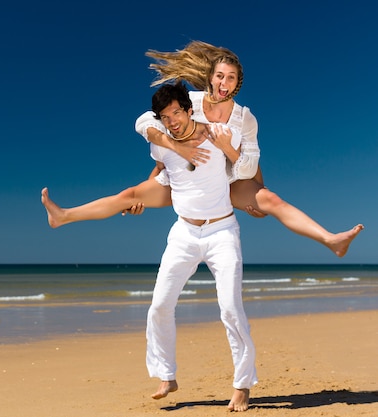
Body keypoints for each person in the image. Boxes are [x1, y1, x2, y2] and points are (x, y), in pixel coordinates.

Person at [41, 41, 363, 257]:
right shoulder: (189, 102)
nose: (224, 83)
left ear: (238, 84)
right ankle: (63, 216)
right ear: (210, 78)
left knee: (270, 199)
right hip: (183, 181)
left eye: (231, 78)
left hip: (229, 185)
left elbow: (249, 165)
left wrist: (236, 160)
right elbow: (146, 123)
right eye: (219, 76)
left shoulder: (245, 119)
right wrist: (164, 158)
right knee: (129, 196)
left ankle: (330, 240)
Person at [143, 82, 256, 411]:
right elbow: (159, 172)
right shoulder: (162, 145)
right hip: (183, 234)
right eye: (165, 117)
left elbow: (246, 162)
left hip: (222, 231)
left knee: (231, 310)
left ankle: (242, 386)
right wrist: (139, 199)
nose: (172, 121)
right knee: (160, 305)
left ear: (189, 109)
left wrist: (256, 195)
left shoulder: (219, 134)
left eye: (177, 112)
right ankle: (166, 375)